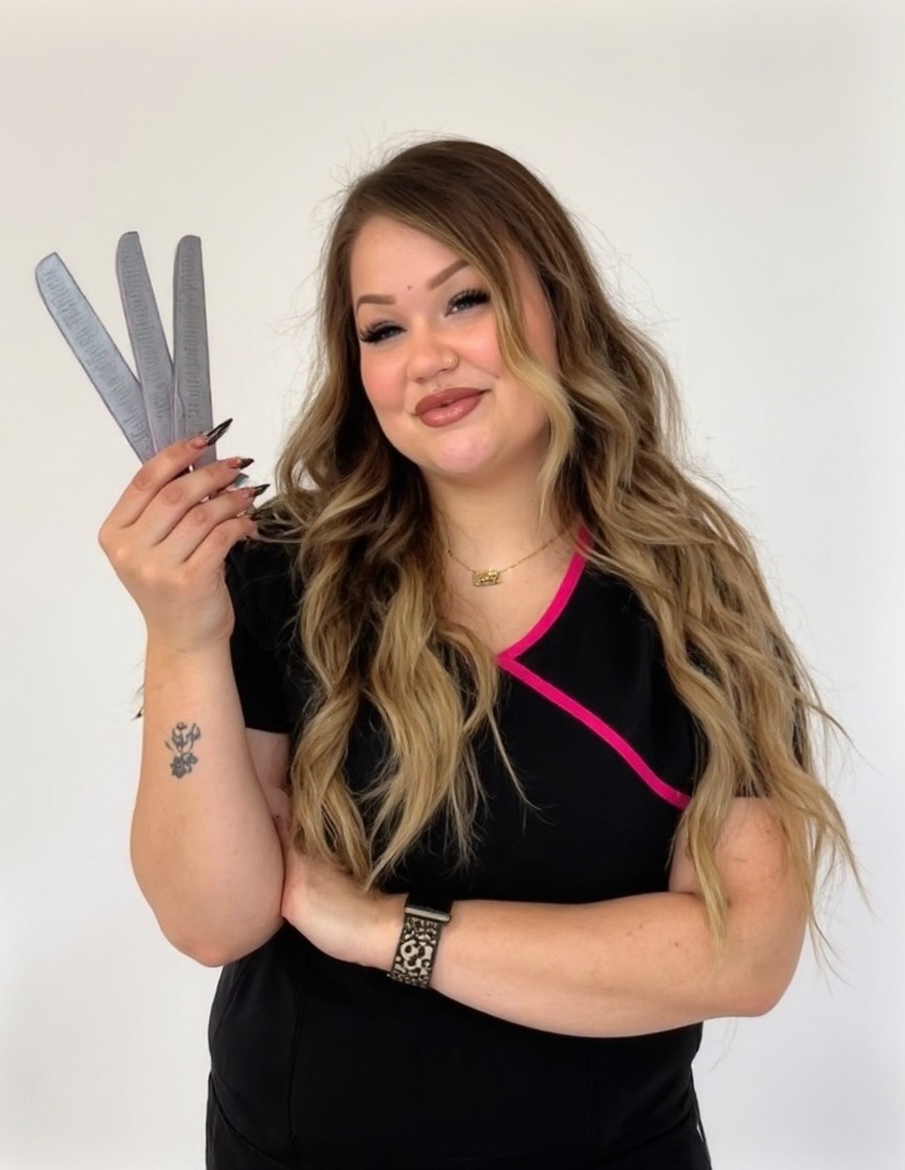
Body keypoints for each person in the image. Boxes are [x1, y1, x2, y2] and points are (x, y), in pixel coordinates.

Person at [97, 138, 860, 1169]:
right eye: (382, 327)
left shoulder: (689, 597)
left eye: (465, 301)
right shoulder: (280, 582)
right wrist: (182, 633)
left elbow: (742, 953)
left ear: (554, 307)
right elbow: (211, 920)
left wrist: (383, 929)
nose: (426, 357)